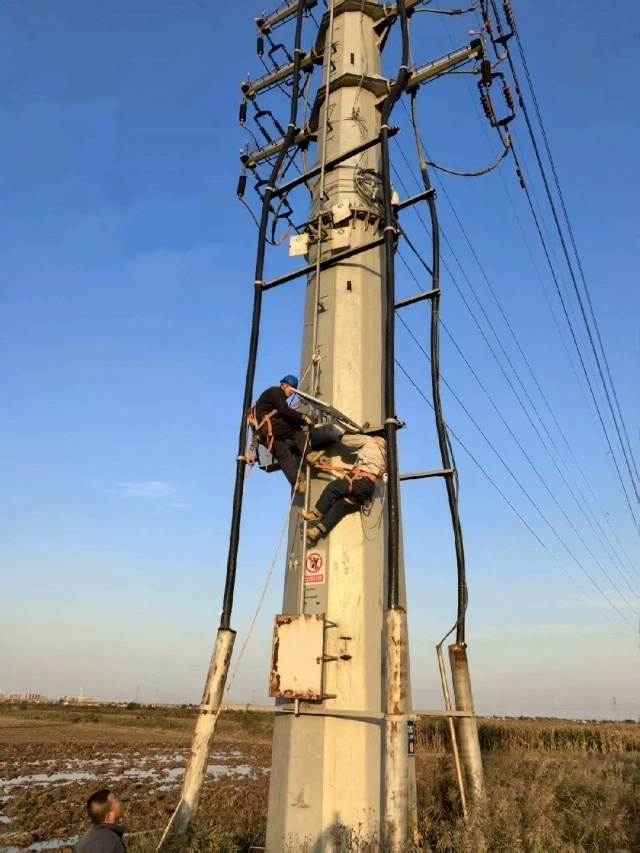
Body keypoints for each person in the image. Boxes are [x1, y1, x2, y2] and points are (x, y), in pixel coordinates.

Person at [298, 429, 386, 543]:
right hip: (368, 488)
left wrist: (337, 433)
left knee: (332, 488)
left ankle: (314, 514)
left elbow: (347, 440)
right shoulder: (385, 454)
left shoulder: (369, 440)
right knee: (339, 507)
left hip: (360, 480)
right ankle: (316, 532)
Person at [251, 375, 323, 491]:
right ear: (284, 385)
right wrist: (304, 417)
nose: (292, 393)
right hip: (268, 426)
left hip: (262, 434)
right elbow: (285, 411)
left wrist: (302, 420)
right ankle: (309, 454)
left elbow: (285, 416)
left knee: (283, 456)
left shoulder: (273, 400)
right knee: (295, 430)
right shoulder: (276, 391)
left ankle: (296, 483)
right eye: (292, 389)